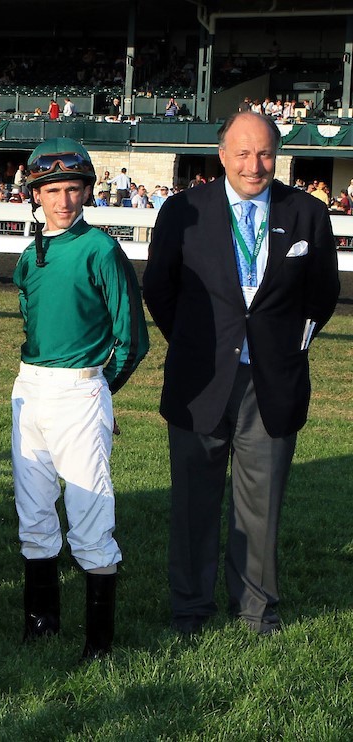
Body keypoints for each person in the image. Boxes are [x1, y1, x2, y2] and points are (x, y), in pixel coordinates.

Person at [143, 112, 340, 636]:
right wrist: (196, 343)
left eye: (265, 154)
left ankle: (257, 610)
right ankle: (189, 609)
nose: (255, 165)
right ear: (222, 154)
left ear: (278, 156)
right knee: (192, 503)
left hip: (271, 382)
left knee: (261, 505)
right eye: (243, 153)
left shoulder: (307, 214)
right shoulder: (183, 210)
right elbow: (159, 289)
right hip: (199, 380)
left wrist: (282, 349)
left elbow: (322, 296)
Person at [11, 138, 148, 660]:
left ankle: (99, 643)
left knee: (89, 512)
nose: (63, 200)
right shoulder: (29, 255)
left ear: (87, 191)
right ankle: (40, 625)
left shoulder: (102, 249)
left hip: (82, 388)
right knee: (34, 510)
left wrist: (99, 395)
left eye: (72, 189)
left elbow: (131, 339)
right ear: (36, 195)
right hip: (29, 389)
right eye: (52, 190)